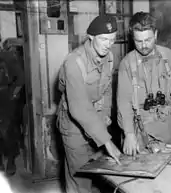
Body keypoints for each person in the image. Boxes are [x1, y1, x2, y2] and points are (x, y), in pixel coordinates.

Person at [56, 15, 121, 193]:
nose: (108, 44)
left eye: (112, 39)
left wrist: (106, 113)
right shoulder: (74, 62)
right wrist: (107, 142)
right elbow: (79, 108)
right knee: (80, 180)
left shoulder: (109, 57)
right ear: (91, 37)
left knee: (99, 175)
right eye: (104, 39)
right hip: (73, 125)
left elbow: (107, 88)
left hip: (96, 119)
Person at [117, 12, 171, 155]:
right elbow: (123, 103)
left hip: (165, 127)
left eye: (148, 39)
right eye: (138, 41)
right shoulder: (127, 64)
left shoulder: (168, 56)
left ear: (156, 34)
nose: (144, 45)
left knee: (167, 170)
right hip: (139, 130)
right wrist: (129, 134)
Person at [0, 29, 25, 176]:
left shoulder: (7, 56)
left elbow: (20, 78)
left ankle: (11, 160)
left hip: (5, 97)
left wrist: (13, 94)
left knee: (8, 131)